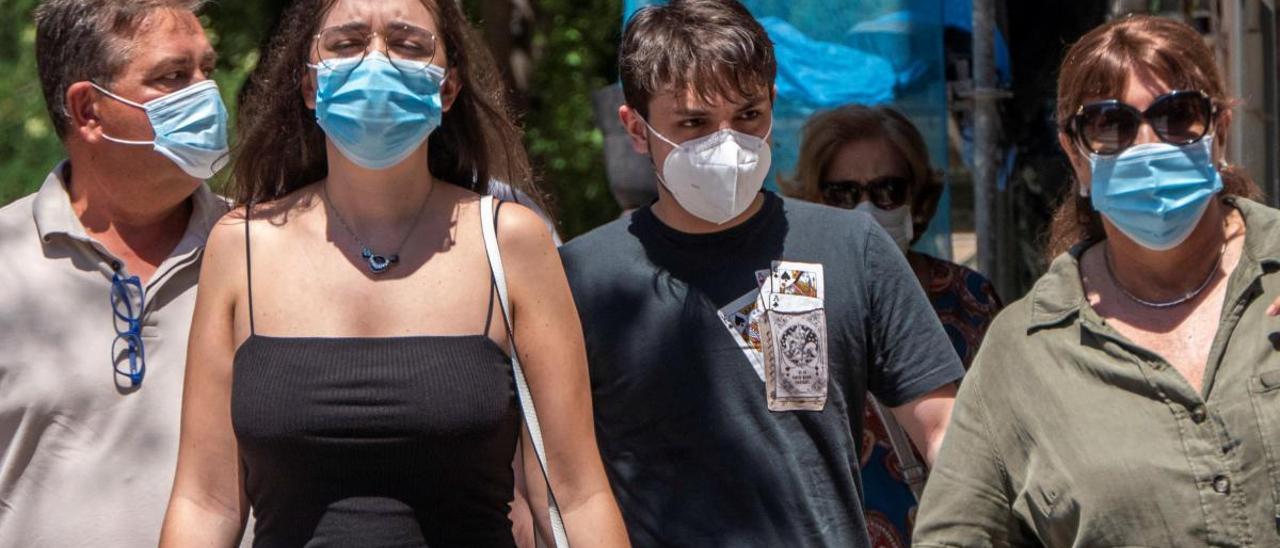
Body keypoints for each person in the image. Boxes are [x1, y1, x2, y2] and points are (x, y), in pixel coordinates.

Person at [157, 0, 629, 546]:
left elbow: (576, 495)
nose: (375, 62)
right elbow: (204, 502)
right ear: (309, 85)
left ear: (447, 90)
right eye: (346, 43)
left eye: (407, 45)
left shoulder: (511, 242)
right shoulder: (239, 246)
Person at [558, 1, 964, 546]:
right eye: (694, 123)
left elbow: (945, 432)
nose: (727, 143)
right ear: (636, 129)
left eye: (748, 116)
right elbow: (555, 482)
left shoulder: (851, 247)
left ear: (773, 105)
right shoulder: (580, 278)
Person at [914, 15, 1280, 547]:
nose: (1148, 144)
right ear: (1075, 155)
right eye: (1111, 125)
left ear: (1219, 130)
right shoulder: (1024, 352)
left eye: (1177, 116)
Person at [0, 1, 230, 545]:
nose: (206, 95)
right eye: (174, 76)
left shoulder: (259, 251)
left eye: (207, 70)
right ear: (88, 111)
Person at [788, 104, 1002, 546]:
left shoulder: (968, 297)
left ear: (916, 198)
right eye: (842, 193)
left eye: (887, 189)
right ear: (813, 201)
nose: (865, 209)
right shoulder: (789, 304)